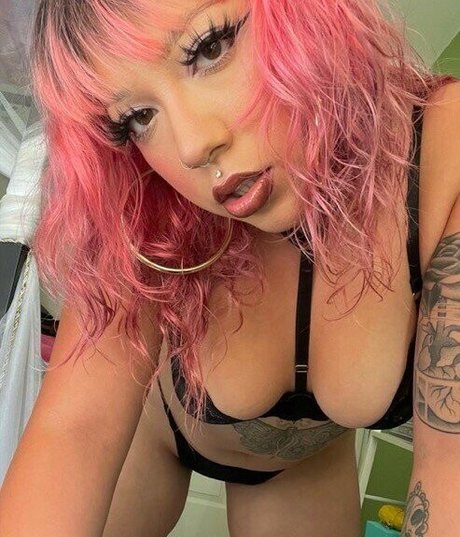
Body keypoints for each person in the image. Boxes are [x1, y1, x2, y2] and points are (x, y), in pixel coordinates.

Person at [0, 0, 459, 535]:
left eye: (209, 47)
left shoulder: (444, 156)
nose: (193, 146)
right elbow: (77, 429)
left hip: (301, 468)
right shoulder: (141, 206)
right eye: (138, 117)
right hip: (155, 437)